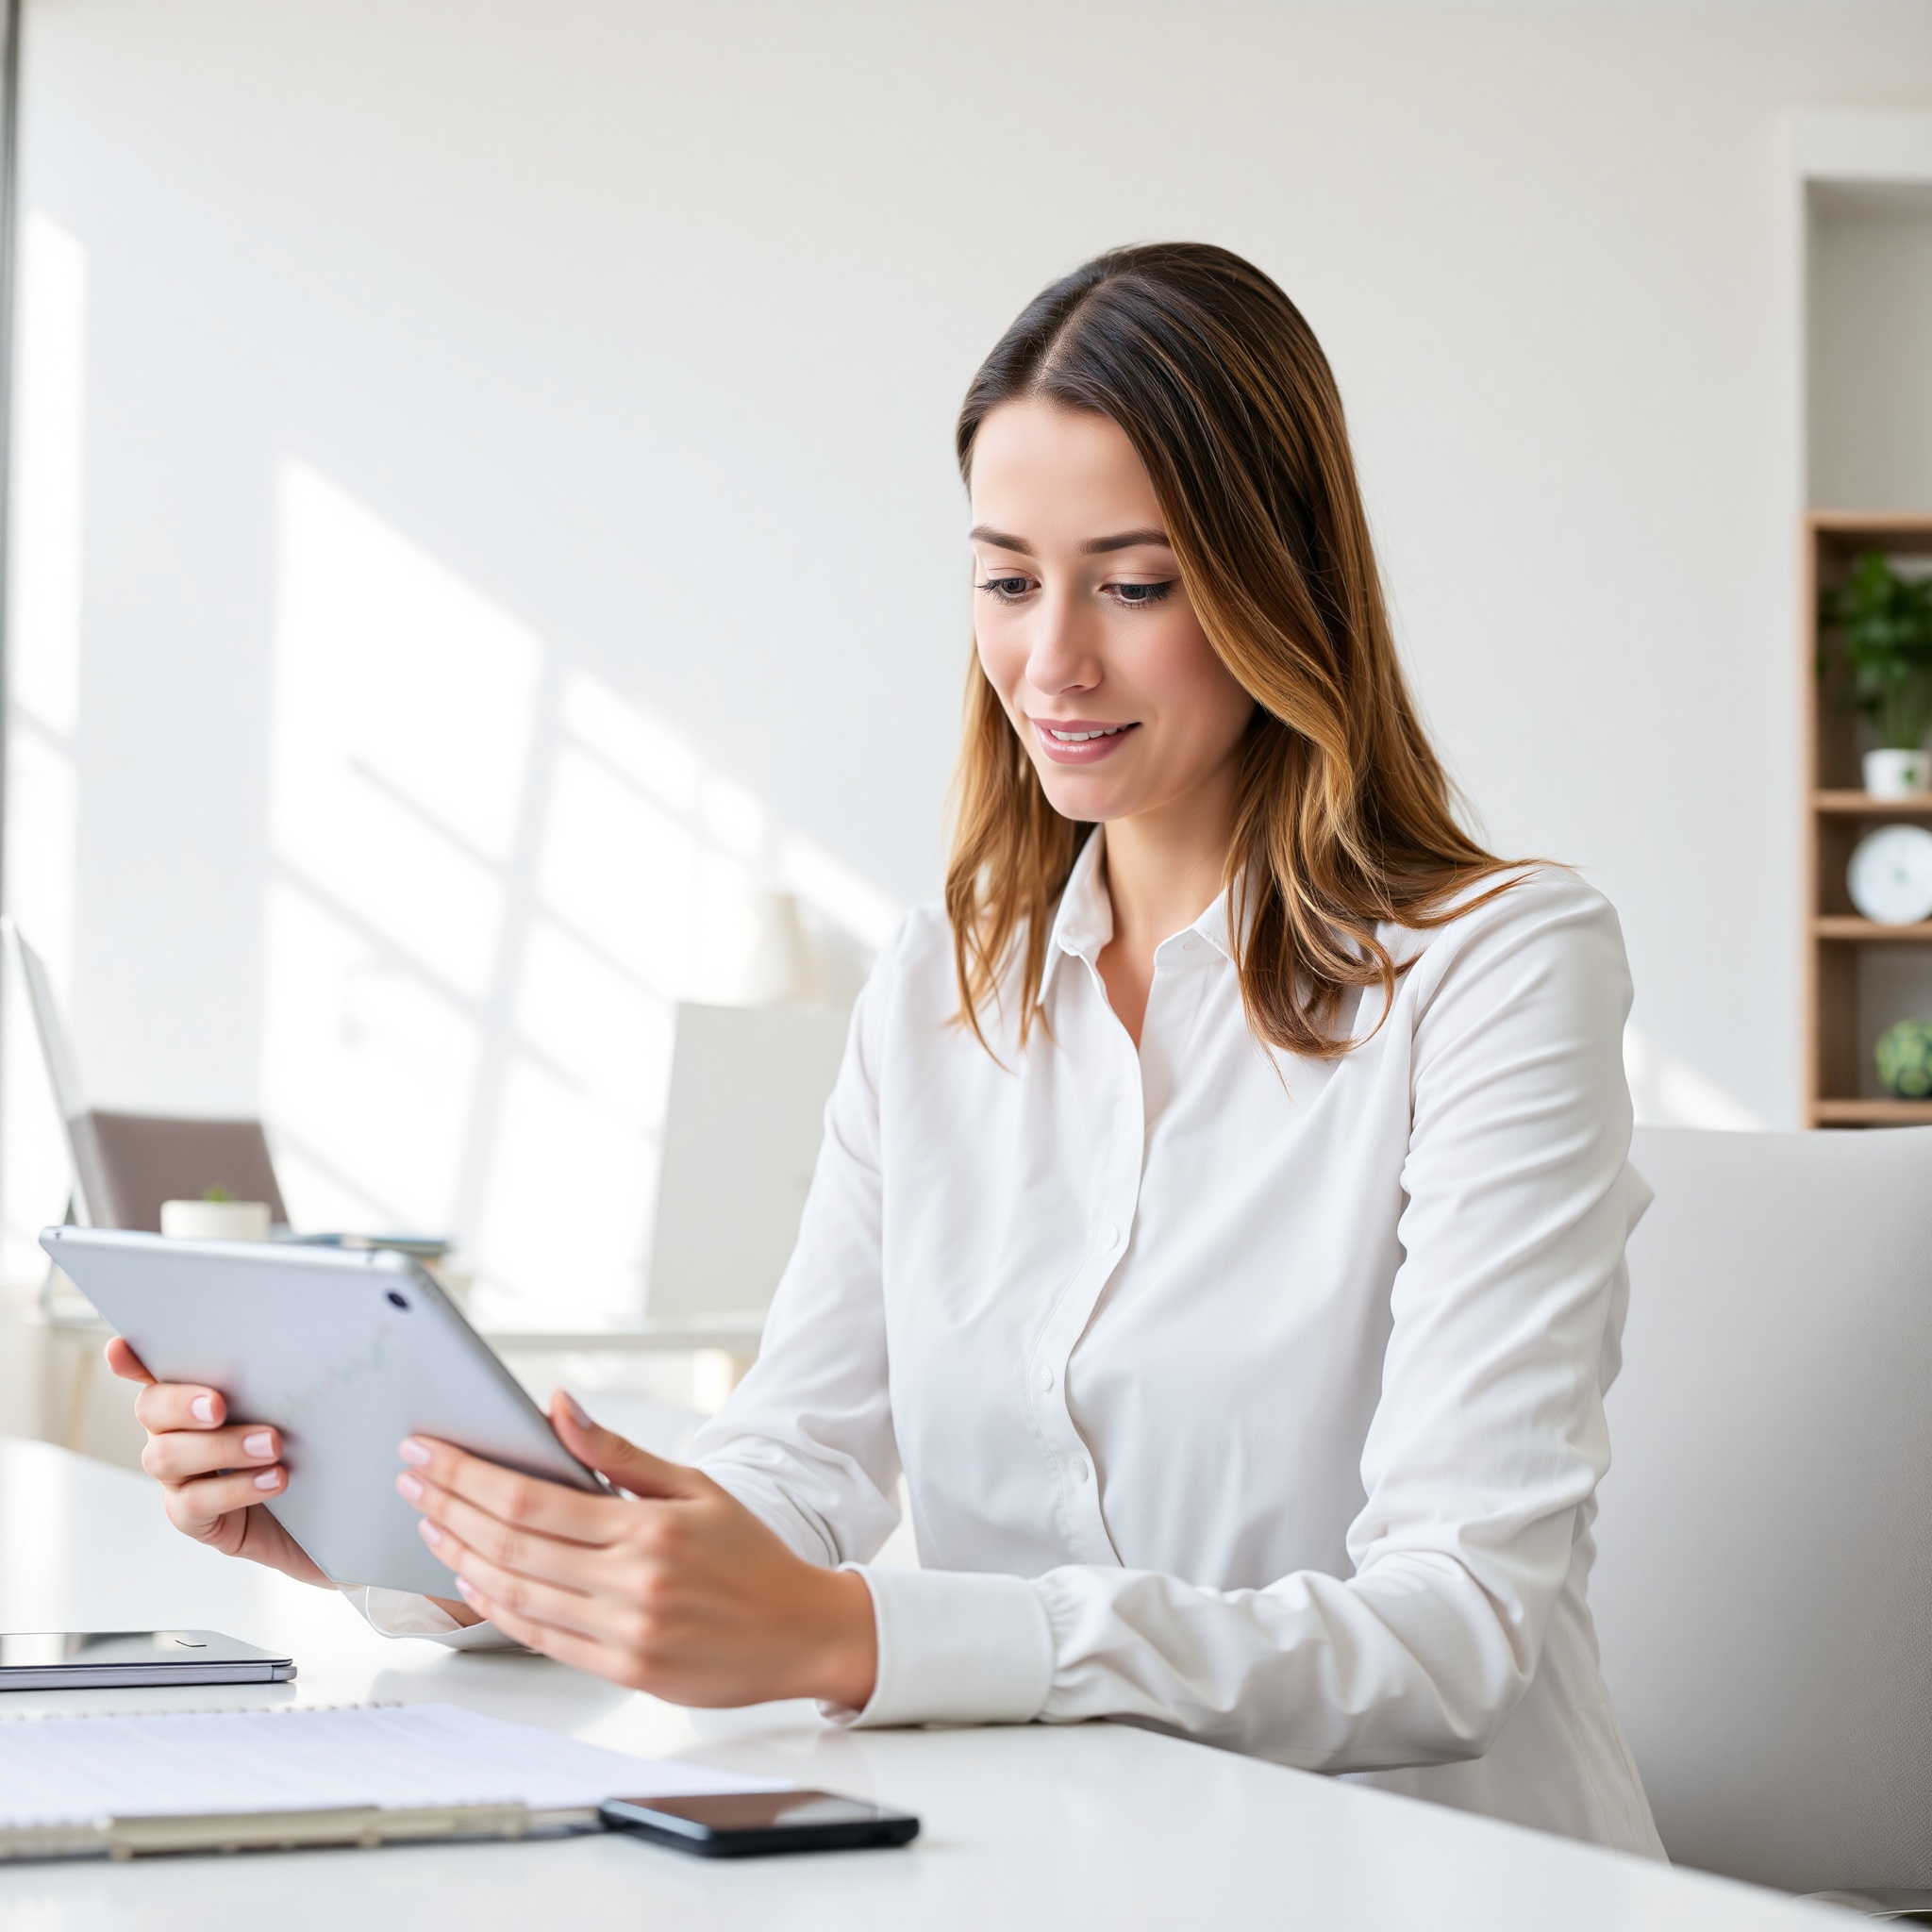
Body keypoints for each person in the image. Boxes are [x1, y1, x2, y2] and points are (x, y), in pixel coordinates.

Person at [110, 242, 1662, 1856]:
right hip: (1058, 1855)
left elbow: (1455, 1627)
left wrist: (868, 1636)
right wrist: (407, 1535)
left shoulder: (1497, 970)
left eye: (1133, 586)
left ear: (1282, 585)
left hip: (1439, 1873)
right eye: (1006, 579)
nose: (1052, 661)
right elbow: (793, 1465)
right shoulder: (945, 980)